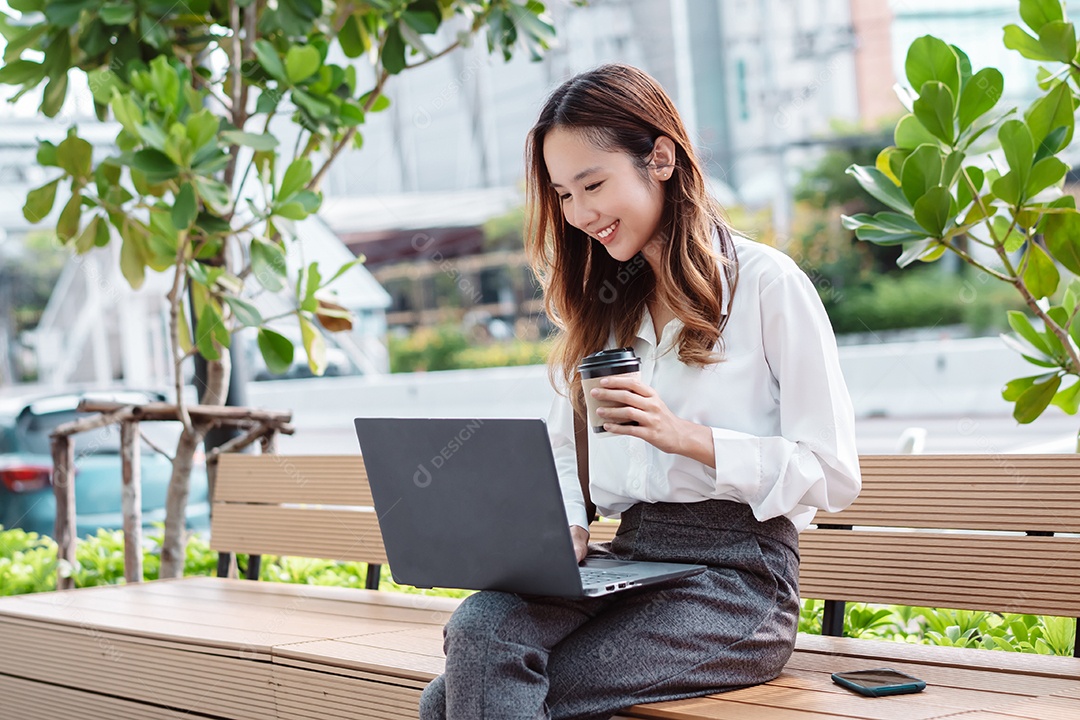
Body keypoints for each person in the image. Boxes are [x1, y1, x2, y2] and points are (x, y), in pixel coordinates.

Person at [419, 63, 861, 720]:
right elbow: (566, 458)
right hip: (629, 557)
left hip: (738, 579)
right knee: (484, 633)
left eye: (593, 184)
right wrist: (565, 525)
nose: (579, 214)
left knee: (458, 697)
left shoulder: (768, 285)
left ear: (660, 158)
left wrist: (689, 438)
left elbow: (832, 472)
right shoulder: (606, 308)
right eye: (564, 194)